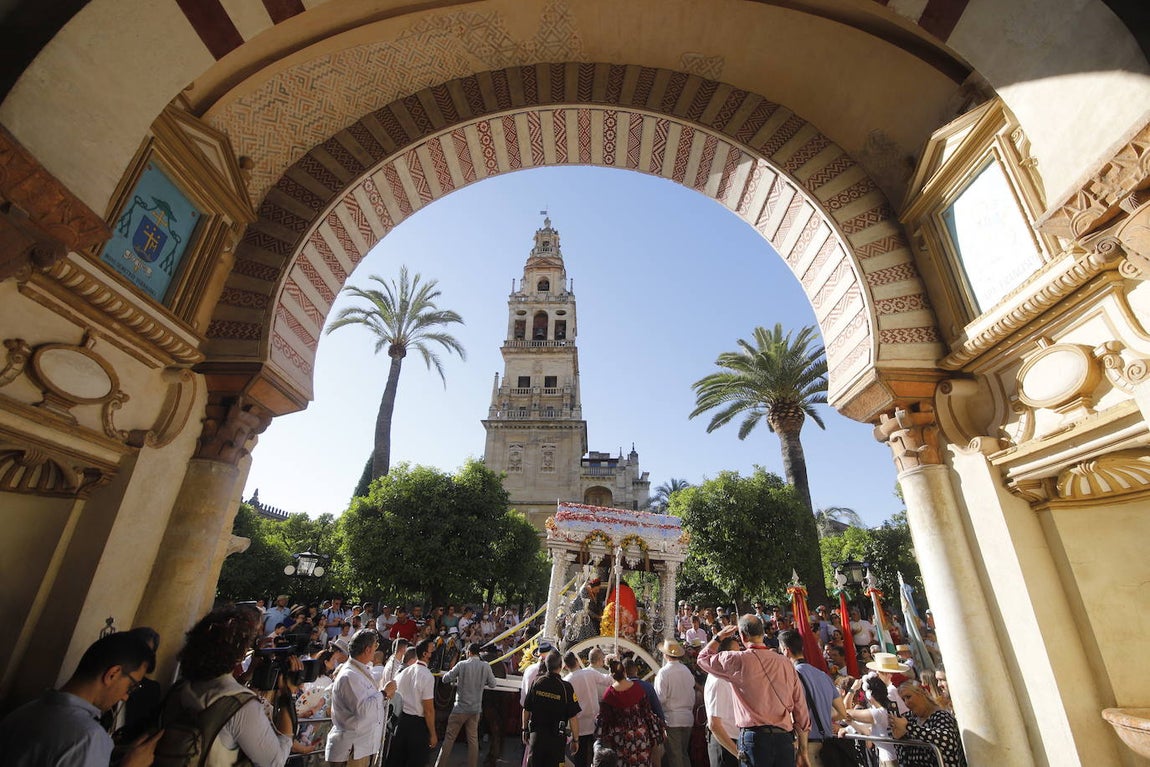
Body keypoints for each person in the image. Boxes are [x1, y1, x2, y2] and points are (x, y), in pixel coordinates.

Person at [0, 631, 159, 767]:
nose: (125, 696)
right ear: (113, 674)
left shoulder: (20, 714)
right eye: (131, 686)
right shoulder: (88, 737)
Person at [168, 604, 297, 766]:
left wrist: (250, 670)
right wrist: (287, 694)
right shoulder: (241, 706)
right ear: (240, 652)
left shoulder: (179, 689)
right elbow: (275, 762)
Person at [696, 615, 811, 767]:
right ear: (762, 633)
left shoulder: (737, 660)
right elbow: (801, 709)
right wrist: (803, 750)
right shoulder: (786, 663)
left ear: (743, 636)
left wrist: (719, 637)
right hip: (784, 738)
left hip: (755, 739)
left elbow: (703, 658)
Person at [779, 630, 847, 767]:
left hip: (805, 748)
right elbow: (842, 712)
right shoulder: (823, 675)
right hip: (828, 748)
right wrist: (823, 717)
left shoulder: (789, 677)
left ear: (786, 651)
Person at [326, 629, 385, 767]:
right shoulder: (349, 675)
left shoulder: (359, 670)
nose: (376, 650)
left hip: (361, 748)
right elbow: (363, 710)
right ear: (367, 649)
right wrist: (384, 694)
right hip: (352, 749)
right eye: (375, 646)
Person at [435, 642, 499, 767]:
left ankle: (440, 765)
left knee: (449, 739)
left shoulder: (462, 664)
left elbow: (445, 679)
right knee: (473, 741)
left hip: (460, 708)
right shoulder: (485, 666)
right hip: (475, 709)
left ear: (469, 652)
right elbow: (493, 684)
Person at [596, 658, 663, 767]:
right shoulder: (637, 688)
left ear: (612, 675)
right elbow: (647, 713)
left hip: (620, 739)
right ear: (624, 672)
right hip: (640, 735)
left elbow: (605, 720)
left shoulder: (609, 694)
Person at [522, 652, 581, 767]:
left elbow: (526, 709)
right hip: (556, 741)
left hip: (537, 738)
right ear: (560, 666)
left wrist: (524, 730)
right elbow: (573, 718)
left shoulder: (537, 682)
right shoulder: (566, 688)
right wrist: (575, 740)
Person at [387, 638, 438, 767]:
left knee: (398, 761)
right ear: (425, 654)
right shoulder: (427, 676)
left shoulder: (405, 672)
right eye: (432, 650)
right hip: (417, 726)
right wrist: (433, 733)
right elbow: (428, 710)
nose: (434, 652)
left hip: (402, 723)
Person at [892, 680, 967, 767]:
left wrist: (908, 727)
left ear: (921, 693)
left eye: (908, 697)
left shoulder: (941, 715)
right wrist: (898, 737)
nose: (906, 703)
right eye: (903, 699)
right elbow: (903, 758)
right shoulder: (909, 717)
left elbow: (946, 740)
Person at [563, 650, 611, 767]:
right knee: (597, 755)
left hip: (579, 726)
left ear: (566, 666)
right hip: (594, 722)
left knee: (580, 757)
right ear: (576, 661)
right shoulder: (589, 672)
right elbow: (609, 680)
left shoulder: (566, 681)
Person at [654, 639, 696, 767]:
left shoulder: (664, 673)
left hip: (672, 719)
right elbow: (692, 693)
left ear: (665, 655)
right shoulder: (686, 671)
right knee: (683, 754)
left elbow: (660, 698)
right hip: (687, 718)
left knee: (675, 756)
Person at [840, 676, 898, 767]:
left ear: (869, 695)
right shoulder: (886, 708)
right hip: (886, 759)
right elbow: (867, 730)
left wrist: (853, 688)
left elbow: (844, 711)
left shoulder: (878, 713)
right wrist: (850, 724)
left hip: (891, 761)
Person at [704, 635, 742, 767]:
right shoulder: (718, 680)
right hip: (725, 744)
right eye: (735, 653)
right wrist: (737, 753)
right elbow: (714, 724)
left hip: (733, 741)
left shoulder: (727, 676)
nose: (739, 656)